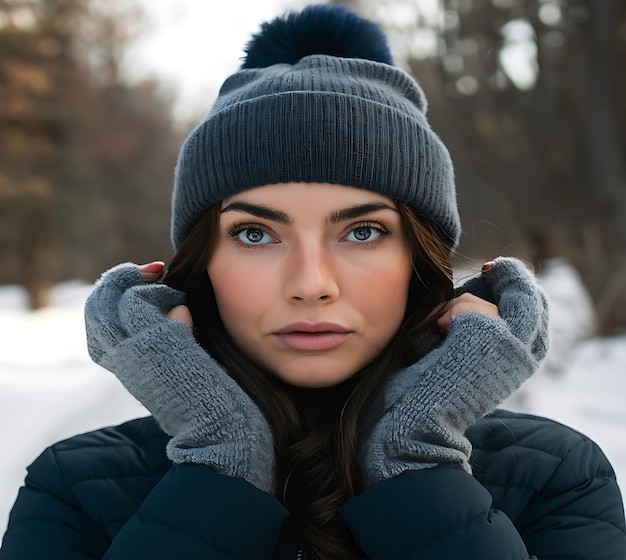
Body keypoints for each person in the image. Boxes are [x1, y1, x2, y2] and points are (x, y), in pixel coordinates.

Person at [1, 5, 625, 559]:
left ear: (422, 259)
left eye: (362, 232)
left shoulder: (551, 475)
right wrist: (218, 471)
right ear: (201, 264)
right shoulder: (76, 486)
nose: (310, 284)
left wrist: (416, 467)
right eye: (254, 234)